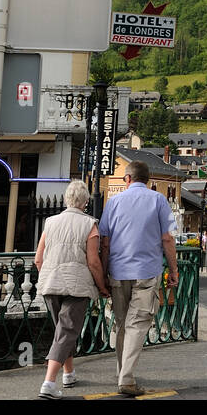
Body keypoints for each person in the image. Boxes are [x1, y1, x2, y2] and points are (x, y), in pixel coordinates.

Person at [99, 161, 178, 397]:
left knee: (123, 323)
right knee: (138, 324)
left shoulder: (113, 202)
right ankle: (126, 377)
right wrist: (173, 270)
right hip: (146, 271)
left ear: (127, 179)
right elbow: (167, 239)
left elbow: (105, 242)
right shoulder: (158, 200)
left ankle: (123, 371)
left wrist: (103, 274)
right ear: (149, 180)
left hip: (117, 271)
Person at [34, 179, 108, 400]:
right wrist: (102, 287)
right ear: (85, 202)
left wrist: (48, 277)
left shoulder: (50, 222)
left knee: (62, 331)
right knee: (66, 332)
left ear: (67, 199)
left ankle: (68, 373)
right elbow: (94, 262)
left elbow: (39, 259)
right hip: (76, 286)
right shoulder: (89, 225)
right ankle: (48, 382)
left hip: (50, 283)